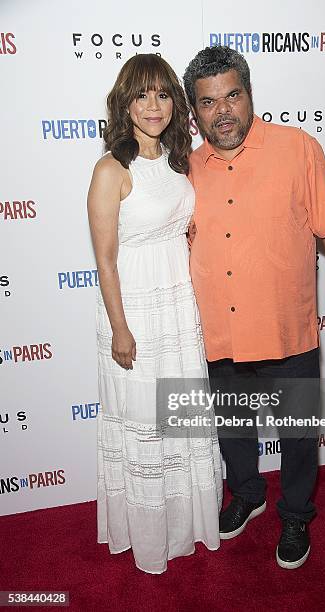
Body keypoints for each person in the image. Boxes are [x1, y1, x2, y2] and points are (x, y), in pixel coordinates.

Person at [183, 46, 325, 569]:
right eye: (209, 102)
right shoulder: (187, 168)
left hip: (286, 323)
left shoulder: (298, 148)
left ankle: (297, 513)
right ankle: (247, 492)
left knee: (298, 431)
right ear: (195, 113)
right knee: (231, 424)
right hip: (219, 326)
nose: (224, 111)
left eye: (232, 95)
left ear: (249, 94)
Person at [87, 53, 222, 575]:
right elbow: (104, 258)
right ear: (125, 103)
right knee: (146, 419)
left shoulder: (175, 161)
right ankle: (147, 536)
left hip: (177, 306)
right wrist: (121, 328)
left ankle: (185, 521)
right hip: (136, 312)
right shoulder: (110, 169)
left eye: (163, 93)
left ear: (176, 103)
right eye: (142, 94)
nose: (153, 105)